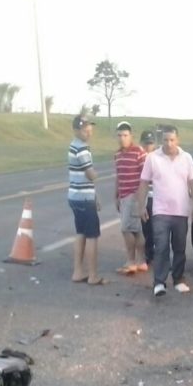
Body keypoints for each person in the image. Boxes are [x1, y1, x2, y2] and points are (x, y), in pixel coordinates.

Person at [135, 125, 193, 296]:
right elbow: (143, 183)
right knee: (161, 246)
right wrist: (141, 206)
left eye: (172, 140)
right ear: (160, 140)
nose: (168, 143)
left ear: (177, 140)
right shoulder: (152, 158)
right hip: (160, 211)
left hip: (181, 211)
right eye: (165, 140)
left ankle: (178, 279)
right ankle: (159, 282)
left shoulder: (186, 158)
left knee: (179, 247)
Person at [67, 113, 105, 285]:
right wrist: (97, 176)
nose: (88, 132)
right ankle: (93, 275)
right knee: (92, 236)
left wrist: (94, 195)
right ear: (76, 130)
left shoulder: (75, 146)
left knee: (81, 233)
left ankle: (78, 271)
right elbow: (90, 173)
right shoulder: (81, 148)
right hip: (83, 197)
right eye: (84, 129)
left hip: (76, 196)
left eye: (89, 129)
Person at [113, 121, 147, 274]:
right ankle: (141, 261)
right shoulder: (118, 155)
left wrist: (140, 200)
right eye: (119, 135)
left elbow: (145, 177)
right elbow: (118, 177)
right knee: (136, 230)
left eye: (125, 135)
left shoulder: (138, 152)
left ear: (131, 136)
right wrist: (116, 195)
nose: (122, 138)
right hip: (124, 195)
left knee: (126, 228)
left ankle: (131, 261)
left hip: (134, 195)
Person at [139, 130, 157, 265]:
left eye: (151, 144)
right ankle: (148, 253)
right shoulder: (140, 158)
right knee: (146, 228)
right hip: (146, 197)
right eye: (146, 143)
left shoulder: (158, 157)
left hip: (157, 197)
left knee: (157, 228)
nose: (148, 146)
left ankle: (155, 253)